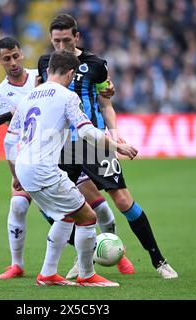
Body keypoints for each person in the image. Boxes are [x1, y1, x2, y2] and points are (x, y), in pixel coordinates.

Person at [37, 14, 178, 279]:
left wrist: (116, 135)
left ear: (76, 37)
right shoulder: (45, 63)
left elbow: (106, 104)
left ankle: (159, 261)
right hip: (61, 147)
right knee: (59, 207)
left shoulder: (96, 65)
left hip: (93, 143)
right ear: (50, 39)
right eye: (56, 41)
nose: (62, 46)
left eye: (67, 40)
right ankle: (85, 258)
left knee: (123, 199)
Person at [0, 37, 127, 280]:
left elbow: (9, 141)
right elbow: (87, 131)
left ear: (47, 70)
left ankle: (48, 273)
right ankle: (87, 275)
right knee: (88, 217)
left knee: (64, 216)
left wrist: (15, 175)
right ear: (71, 74)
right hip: (44, 169)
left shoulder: (29, 98)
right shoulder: (67, 96)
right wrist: (115, 145)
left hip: (24, 169)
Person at [0, 37, 39, 279]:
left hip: (57, 149)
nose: (13, 62)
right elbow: (16, 122)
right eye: (6, 58)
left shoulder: (41, 76)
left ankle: (107, 250)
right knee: (17, 204)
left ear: (22, 54)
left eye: (16, 56)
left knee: (84, 207)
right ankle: (16, 264)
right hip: (26, 153)